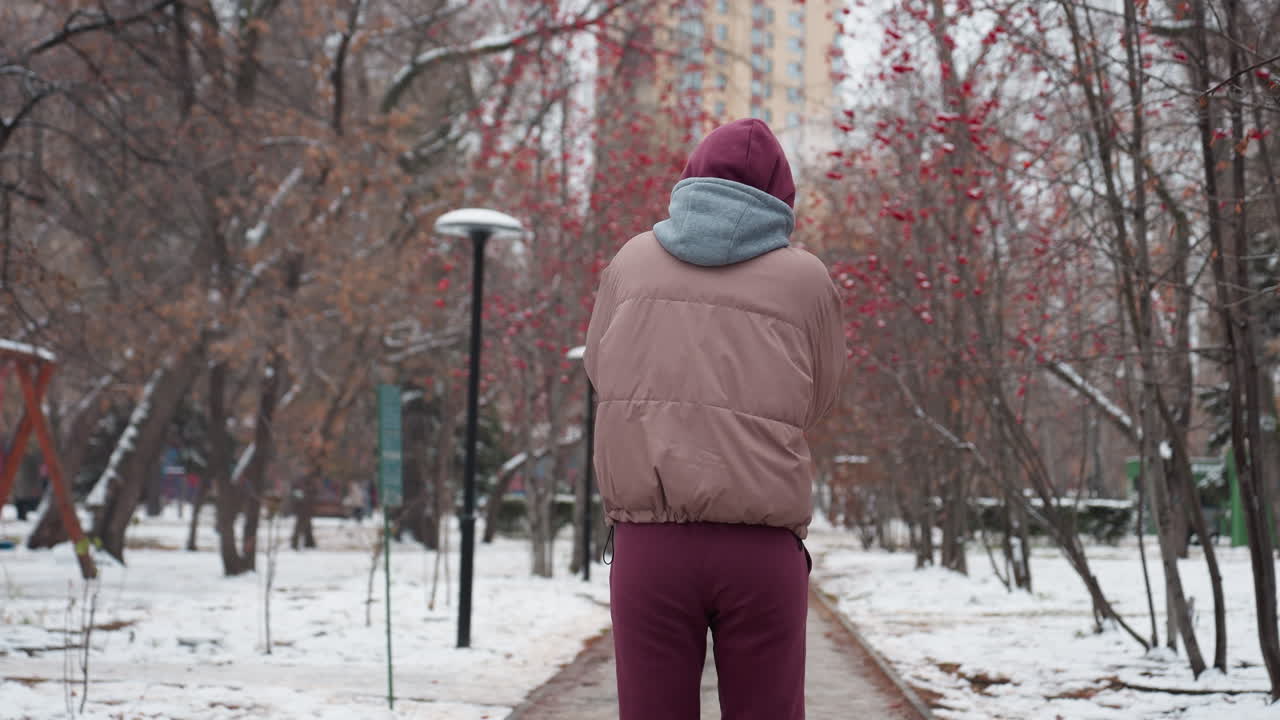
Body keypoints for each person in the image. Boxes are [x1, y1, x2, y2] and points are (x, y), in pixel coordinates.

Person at [584, 119, 846, 720]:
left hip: (651, 545)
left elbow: (602, 370)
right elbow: (821, 395)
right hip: (762, 549)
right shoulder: (807, 279)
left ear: (691, 179)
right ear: (781, 197)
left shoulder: (631, 262)